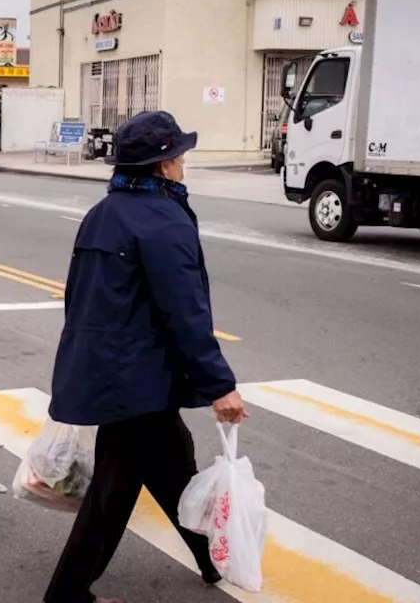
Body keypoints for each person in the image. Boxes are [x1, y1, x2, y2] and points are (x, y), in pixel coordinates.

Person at [43, 111, 249, 603]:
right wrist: (220, 385)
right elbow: (187, 313)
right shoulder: (162, 221)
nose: (183, 162)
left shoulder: (104, 212)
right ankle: (67, 595)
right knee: (115, 490)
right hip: (133, 380)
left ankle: (211, 560)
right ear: (161, 166)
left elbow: (79, 297)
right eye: (179, 154)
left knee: (173, 463)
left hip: (117, 370)